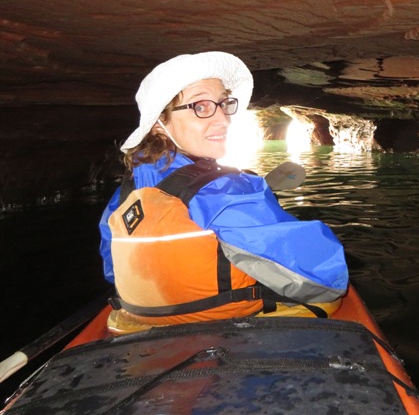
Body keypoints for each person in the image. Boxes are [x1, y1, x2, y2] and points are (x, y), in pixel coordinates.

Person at [98, 51, 348, 332]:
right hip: (224, 328)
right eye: (201, 107)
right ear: (159, 124)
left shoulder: (125, 194)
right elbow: (324, 277)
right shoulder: (225, 192)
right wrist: (257, 199)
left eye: (223, 103)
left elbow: (113, 271)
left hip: (139, 327)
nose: (224, 120)